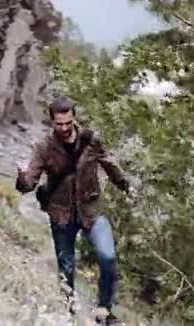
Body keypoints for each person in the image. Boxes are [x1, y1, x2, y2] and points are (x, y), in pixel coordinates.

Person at [15, 96, 135, 325]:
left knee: (108, 257)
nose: (63, 127)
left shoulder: (91, 139)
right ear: (52, 122)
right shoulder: (44, 147)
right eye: (58, 123)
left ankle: (104, 311)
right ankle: (68, 313)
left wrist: (126, 185)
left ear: (74, 118)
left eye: (67, 122)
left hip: (91, 210)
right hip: (61, 215)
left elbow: (109, 164)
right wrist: (21, 176)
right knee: (66, 268)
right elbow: (29, 184)